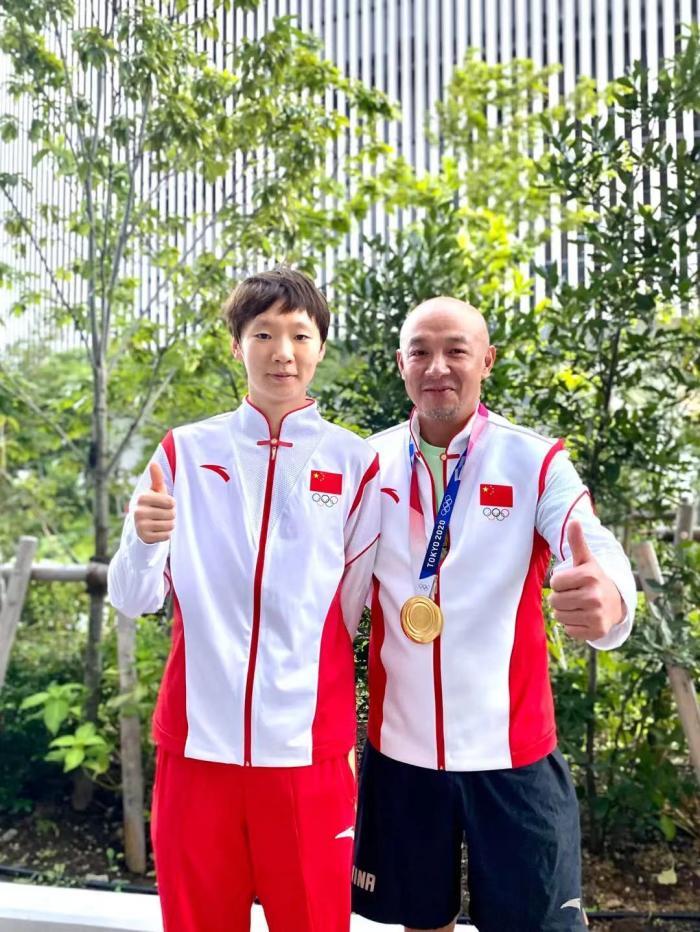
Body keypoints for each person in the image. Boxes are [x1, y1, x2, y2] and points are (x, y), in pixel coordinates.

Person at [351, 296, 636, 932]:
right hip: (402, 752)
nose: (437, 367)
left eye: (456, 350)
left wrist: (611, 596)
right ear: (400, 364)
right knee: (419, 921)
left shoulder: (533, 460)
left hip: (513, 752)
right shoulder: (365, 465)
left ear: (487, 360)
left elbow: (590, 541)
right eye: (421, 352)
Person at [108, 267, 380, 932]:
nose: (282, 351)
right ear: (237, 345)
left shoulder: (355, 463)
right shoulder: (184, 451)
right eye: (263, 333)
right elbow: (133, 598)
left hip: (307, 754)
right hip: (197, 747)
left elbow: (349, 605)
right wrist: (144, 541)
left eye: (299, 335)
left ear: (320, 347)